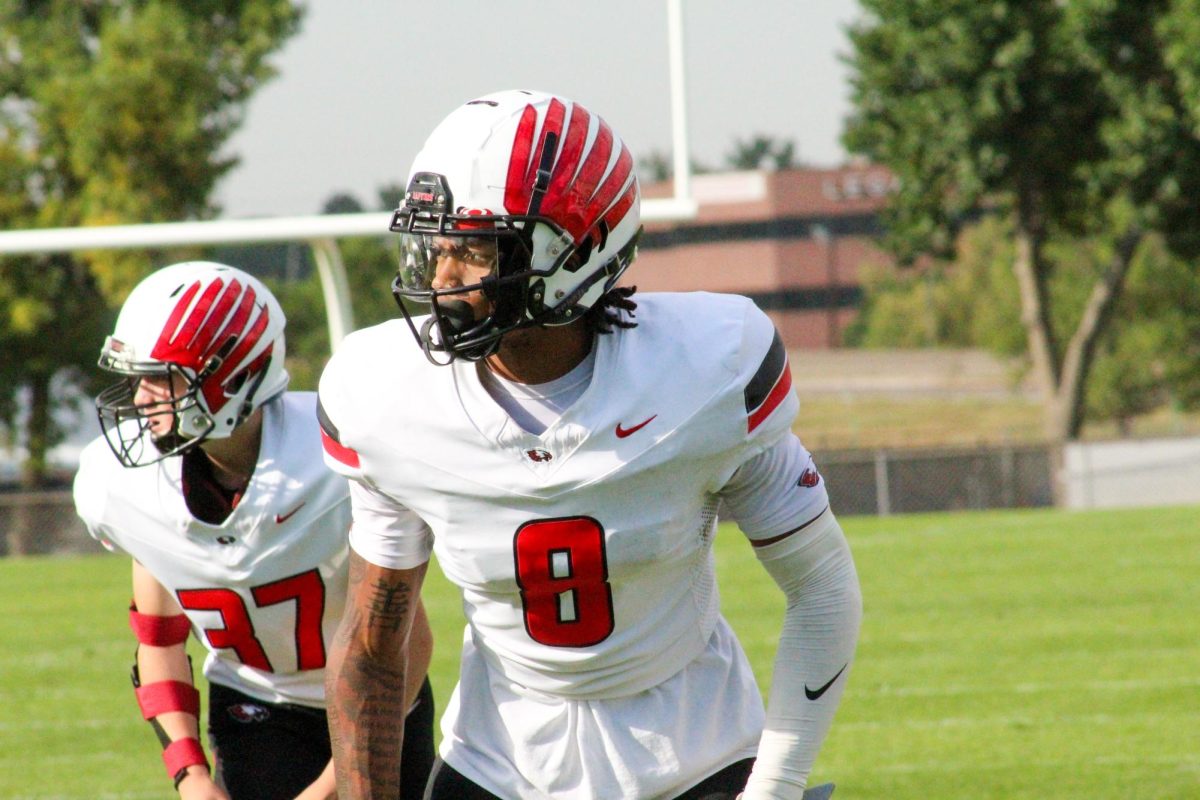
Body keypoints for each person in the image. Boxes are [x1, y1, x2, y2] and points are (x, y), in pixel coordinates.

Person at [318, 89, 863, 800]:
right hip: (498, 763)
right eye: (437, 246)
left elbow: (821, 590)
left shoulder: (706, 370)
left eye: (474, 250)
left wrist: (777, 787)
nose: (442, 279)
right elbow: (371, 646)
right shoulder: (388, 398)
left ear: (573, 251)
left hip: (698, 756)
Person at [73, 261, 436, 800]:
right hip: (254, 705)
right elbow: (159, 638)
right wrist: (190, 773)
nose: (142, 397)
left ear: (234, 376)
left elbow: (408, 640)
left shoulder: (335, 456)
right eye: (137, 377)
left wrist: (332, 786)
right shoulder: (124, 484)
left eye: (162, 376)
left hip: (381, 697)